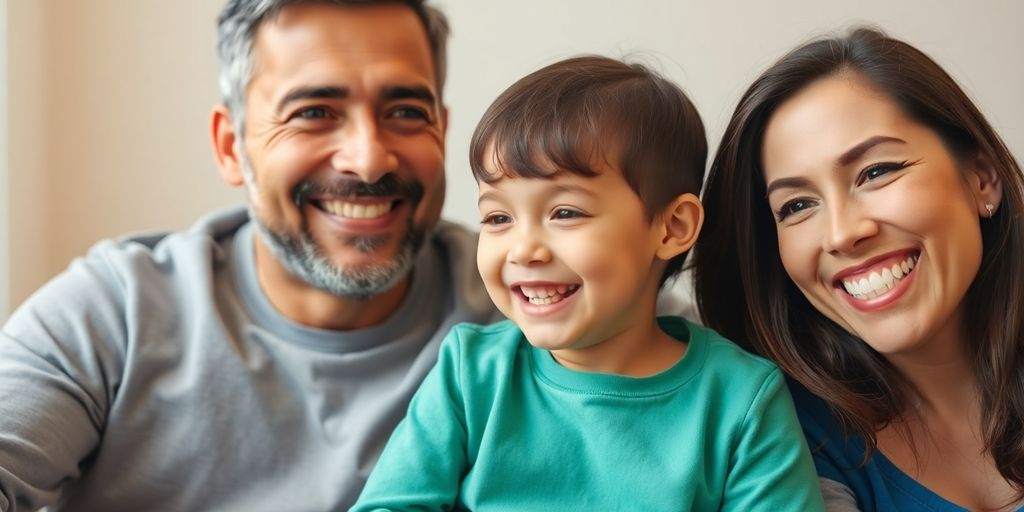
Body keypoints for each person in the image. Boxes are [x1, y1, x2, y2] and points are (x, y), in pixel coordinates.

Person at [0, 1, 498, 510]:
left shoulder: (520, 311)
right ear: (230, 147)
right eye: (314, 113)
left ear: (443, 129)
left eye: (407, 113)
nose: (369, 160)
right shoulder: (114, 314)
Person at [351, 55, 825, 511]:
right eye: (498, 218)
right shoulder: (471, 373)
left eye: (565, 212)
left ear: (672, 227)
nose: (523, 250)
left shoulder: (741, 399)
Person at [693, 27, 1024, 511]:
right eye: (797, 205)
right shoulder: (779, 437)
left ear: (981, 178)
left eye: (876, 172)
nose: (841, 234)